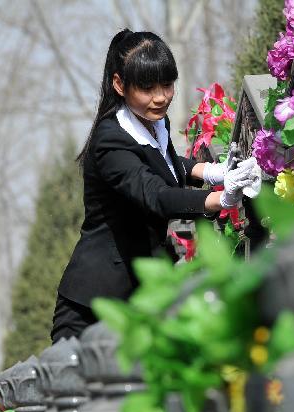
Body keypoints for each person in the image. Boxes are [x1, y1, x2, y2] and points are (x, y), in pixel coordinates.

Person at [52, 29, 260, 341]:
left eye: (167, 84)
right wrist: (220, 200)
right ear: (120, 84)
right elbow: (155, 195)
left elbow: (166, 163)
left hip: (140, 298)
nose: (160, 96)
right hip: (93, 306)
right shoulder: (111, 140)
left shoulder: (153, 122)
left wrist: (213, 172)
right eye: (147, 87)